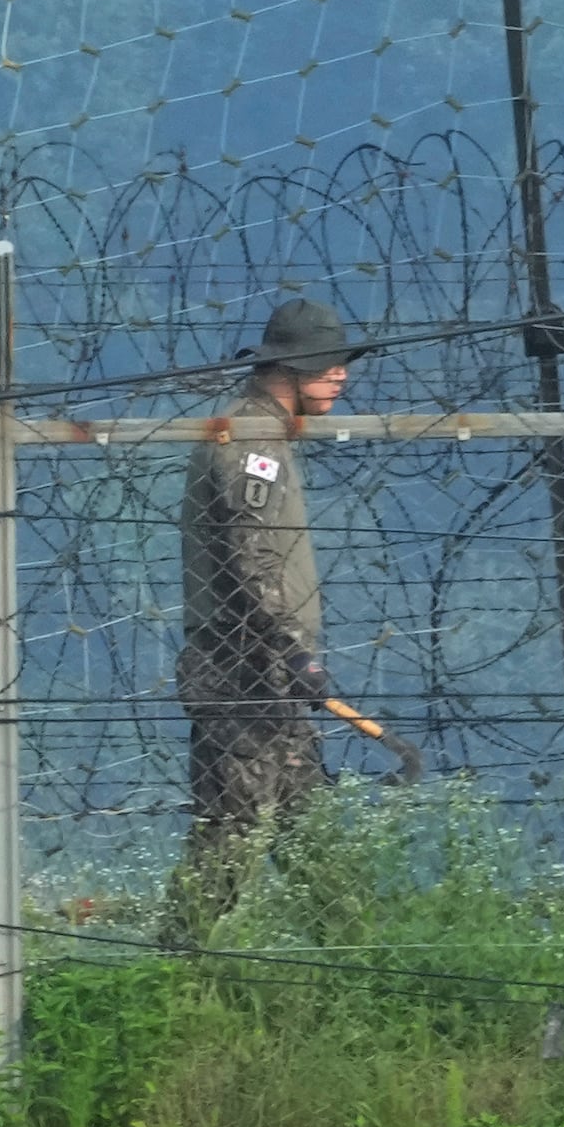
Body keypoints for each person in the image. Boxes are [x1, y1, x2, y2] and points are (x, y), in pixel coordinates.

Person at [177, 296, 350, 908]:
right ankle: (181, 971)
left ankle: (361, 970)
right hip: (243, 667)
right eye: (329, 363)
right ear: (292, 368)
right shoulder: (252, 441)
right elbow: (252, 554)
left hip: (267, 668)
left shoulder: (267, 435)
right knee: (230, 837)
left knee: (312, 839)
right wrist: (290, 650)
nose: (342, 374)